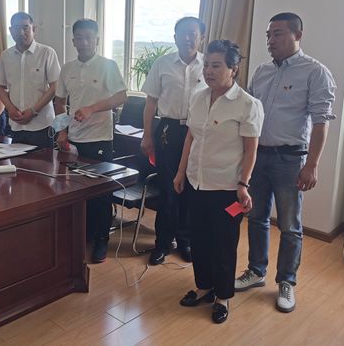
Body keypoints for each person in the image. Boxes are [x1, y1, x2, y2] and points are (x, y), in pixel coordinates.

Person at [234, 12, 336, 313]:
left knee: (290, 225)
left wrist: (312, 164)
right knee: (256, 217)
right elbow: (248, 114)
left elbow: (321, 122)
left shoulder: (315, 72)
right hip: (258, 156)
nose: (270, 40)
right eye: (268, 35)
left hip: (290, 160)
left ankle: (287, 281)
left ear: (297, 35)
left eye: (277, 34)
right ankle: (256, 270)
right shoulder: (262, 71)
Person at [174, 40, 263, 324]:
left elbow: (251, 150)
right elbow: (191, 137)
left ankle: (222, 296)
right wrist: (180, 172)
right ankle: (204, 287)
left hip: (226, 187)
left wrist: (243, 184)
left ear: (233, 69)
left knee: (223, 244)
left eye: (216, 65)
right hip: (196, 182)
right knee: (199, 239)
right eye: (206, 65)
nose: (209, 71)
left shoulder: (247, 105)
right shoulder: (199, 97)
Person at [54, 19, 127, 263]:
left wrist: (91, 109)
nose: (83, 42)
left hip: (100, 138)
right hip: (74, 139)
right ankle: (83, 233)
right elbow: (59, 101)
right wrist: (61, 130)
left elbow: (121, 96)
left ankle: (101, 239)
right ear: (73, 40)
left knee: (100, 192)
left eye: (88, 38)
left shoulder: (107, 65)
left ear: (96, 40)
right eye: (79, 38)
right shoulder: (67, 68)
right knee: (76, 189)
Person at [140, 17, 207, 265]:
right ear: (175, 37)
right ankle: (162, 243)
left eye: (193, 34)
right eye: (182, 34)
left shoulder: (209, 66)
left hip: (198, 132)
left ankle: (185, 241)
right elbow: (150, 103)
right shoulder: (162, 64)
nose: (187, 38)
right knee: (169, 189)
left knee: (190, 188)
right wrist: (147, 135)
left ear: (201, 38)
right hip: (168, 130)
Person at [0, 12, 61, 148]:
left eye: (25, 28)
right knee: (17, 161)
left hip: (42, 124)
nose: (21, 32)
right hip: (16, 124)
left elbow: (55, 86)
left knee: (43, 161)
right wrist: (10, 108)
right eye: (16, 28)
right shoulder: (5, 56)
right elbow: (0, 87)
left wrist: (33, 111)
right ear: (10, 30)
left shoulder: (47, 53)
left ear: (33, 29)